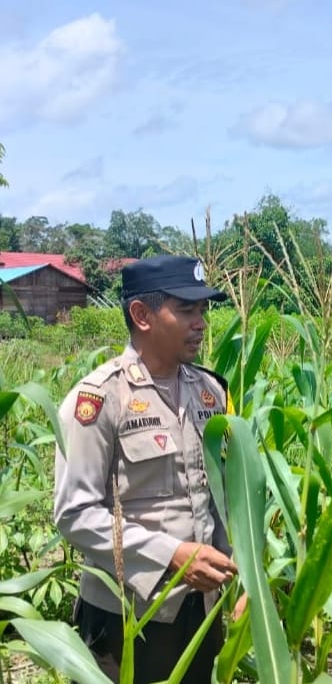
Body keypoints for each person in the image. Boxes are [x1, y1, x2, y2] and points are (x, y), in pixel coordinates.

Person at [54, 255, 238, 683]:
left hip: (200, 610)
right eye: (187, 310)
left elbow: (225, 499)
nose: (201, 324)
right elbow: (74, 514)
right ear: (142, 315)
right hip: (127, 618)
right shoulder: (101, 400)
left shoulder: (210, 392)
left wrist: (241, 578)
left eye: (204, 311)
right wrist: (170, 555)